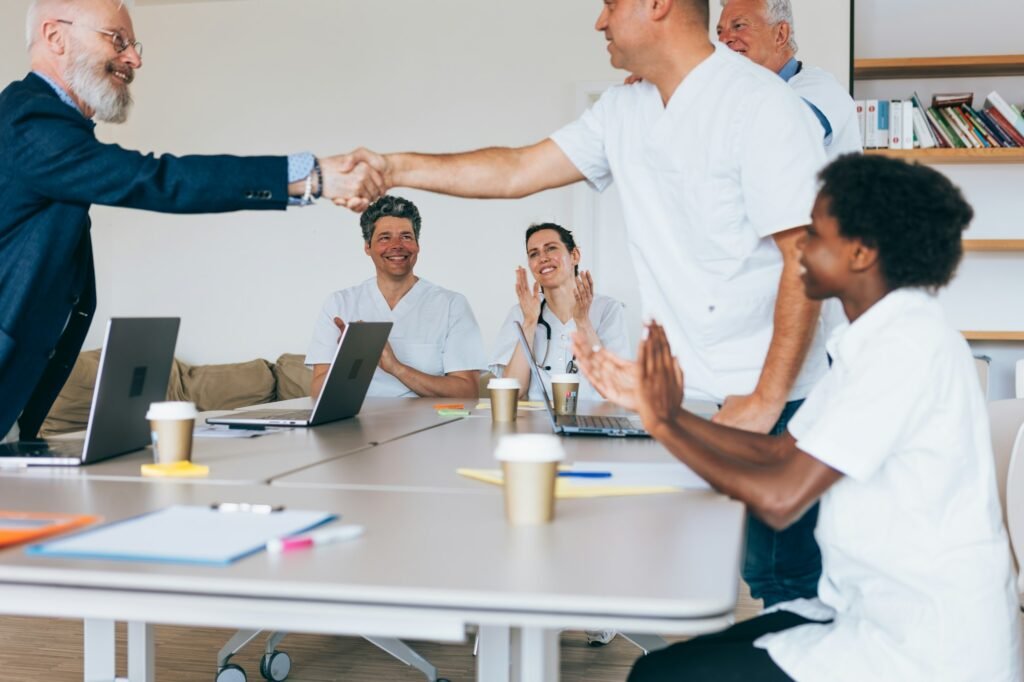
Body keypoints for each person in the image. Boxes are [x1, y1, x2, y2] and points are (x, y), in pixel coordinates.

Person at [346, 0, 828, 605]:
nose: (599, 21)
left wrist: (764, 400)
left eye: (609, 4)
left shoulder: (761, 106)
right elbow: (516, 169)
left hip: (778, 400)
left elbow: (806, 256)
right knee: (703, 575)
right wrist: (393, 167)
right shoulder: (622, 110)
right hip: (694, 403)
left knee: (784, 587)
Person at [576, 154, 1022, 681]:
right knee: (668, 667)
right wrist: (664, 409)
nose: (796, 247)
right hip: (862, 610)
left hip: (923, 645)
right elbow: (781, 450)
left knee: (661, 677)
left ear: (859, 251)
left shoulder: (907, 346)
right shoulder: (873, 340)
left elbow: (783, 497)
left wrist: (665, 426)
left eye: (814, 232)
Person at [0, 0, 383, 444]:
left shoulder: (42, 128)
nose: (135, 58)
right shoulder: (28, 121)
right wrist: (308, 177)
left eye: (134, 44)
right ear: (54, 36)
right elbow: (158, 179)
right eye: (117, 40)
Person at [306, 195, 485, 399]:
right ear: (367, 247)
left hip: (428, 427)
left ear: (417, 245)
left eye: (406, 236)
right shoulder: (339, 304)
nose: (397, 245)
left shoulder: (452, 305)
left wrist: (396, 368)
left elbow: (467, 392)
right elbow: (317, 392)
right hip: (358, 425)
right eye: (384, 237)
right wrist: (350, 357)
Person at [490, 223, 630, 403]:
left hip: (594, 423)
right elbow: (513, 394)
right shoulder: (521, 313)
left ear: (575, 256)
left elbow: (614, 389)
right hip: (536, 423)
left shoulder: (608, 309)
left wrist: (582, 322)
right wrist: (530, 323)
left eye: (551, 248)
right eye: (534, 253)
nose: (543, 258)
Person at [716, 0, 862, 161]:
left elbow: (774, 138)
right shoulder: (745, 96)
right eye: (719, 32)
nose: (724, 40)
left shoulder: (822, 90)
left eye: (739, 26)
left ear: (780, 34)